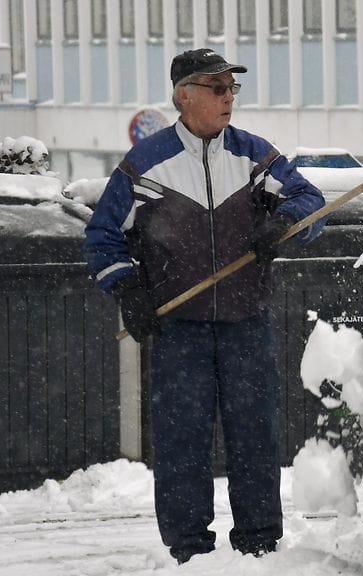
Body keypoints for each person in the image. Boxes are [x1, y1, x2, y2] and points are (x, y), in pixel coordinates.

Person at [83, 48, 326, 563]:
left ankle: (260, 546)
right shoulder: (144, 167)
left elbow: (311, 203)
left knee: (256, 438)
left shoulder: (256, 156)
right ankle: (189, 553)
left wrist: (281, 225)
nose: (228, 97)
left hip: (247, 323)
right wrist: (128, 289)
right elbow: (103, 236)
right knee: (181, 444)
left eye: (232, 88)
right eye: (217, 87)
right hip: (179, 330)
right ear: (183, 95)